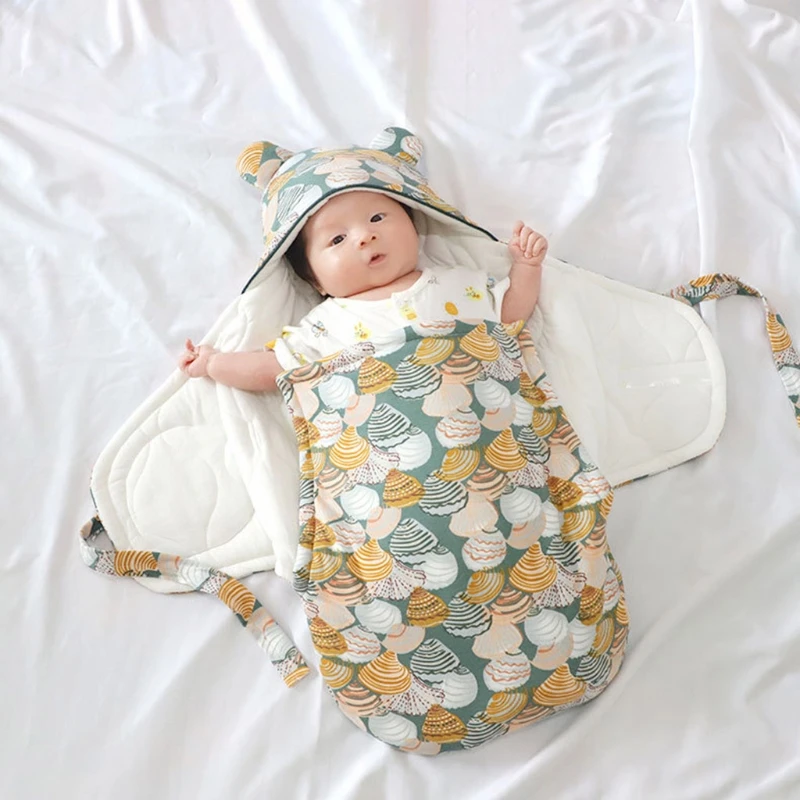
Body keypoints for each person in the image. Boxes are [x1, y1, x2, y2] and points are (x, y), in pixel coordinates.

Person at [178, 190, 547, 389]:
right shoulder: (325, 325)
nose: (365, 236)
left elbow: (509, 316)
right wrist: (214, 364)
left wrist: (526, 268)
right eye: (337, 239)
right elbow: (274, 369)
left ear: (414, 225)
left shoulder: (458, 282)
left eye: (377, 218)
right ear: (315, 281)